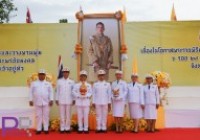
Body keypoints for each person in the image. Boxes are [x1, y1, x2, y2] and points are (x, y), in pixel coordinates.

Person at [29, 69, 53, 135]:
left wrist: (51, 99)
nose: (41, 76)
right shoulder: (34, 83)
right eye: (40, 74)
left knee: (46, 116)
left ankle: (46, 129)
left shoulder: (48, 83)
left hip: (46, 102)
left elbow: (51, 92)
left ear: (45, 75)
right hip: (37, 102)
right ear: (38, 75)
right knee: (38, 116)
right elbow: (30, 92)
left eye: (43, 74)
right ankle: (38, 129)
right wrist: (30, 100)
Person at [55, 67, 75, 133]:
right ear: (63, 73)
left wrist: (74, 99)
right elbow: (57, 91)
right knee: (62, 115)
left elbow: (73, 91)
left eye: (67, 72)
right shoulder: (59, 81)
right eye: (64, 72)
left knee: (68, 115)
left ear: (68, 73)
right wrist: (56, 99)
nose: (65, 73)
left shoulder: (72, 81)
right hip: (61, 100)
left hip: (69, 100)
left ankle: (67, 128)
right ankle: (62, 128)